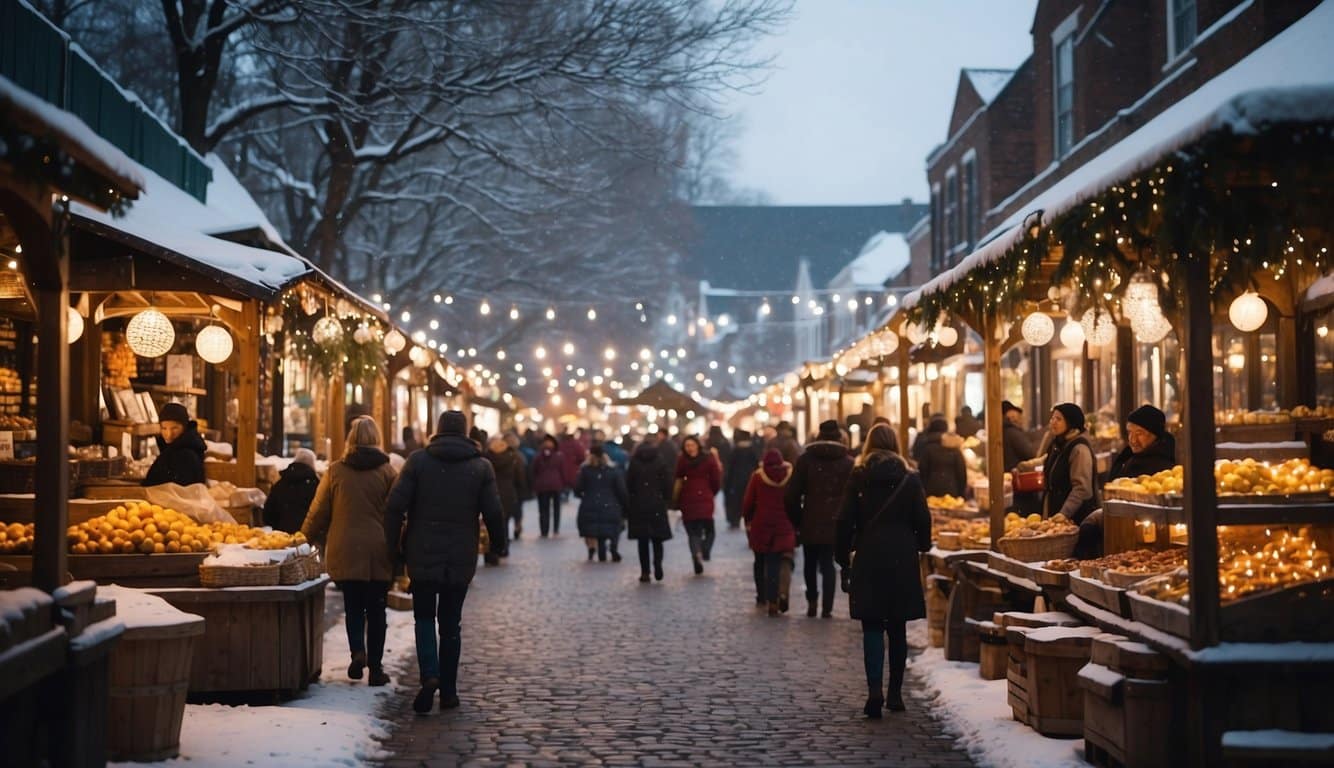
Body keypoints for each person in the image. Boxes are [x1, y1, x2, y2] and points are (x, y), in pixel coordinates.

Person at [385, 410, 505, 714]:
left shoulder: (418, 462)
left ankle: (430, 675)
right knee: (451, 624)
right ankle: (449, 691)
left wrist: (392, 545)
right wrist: (499, 545)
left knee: (424, 618)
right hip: (460, 555)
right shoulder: (480, 467)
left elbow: (394, 505)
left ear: (437, 431)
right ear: (465, 433)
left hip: (422, 551)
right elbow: (493, 512)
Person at [835, 424, 931, 718]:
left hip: (869, 555)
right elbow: (923, 520)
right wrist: (921, 544)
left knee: (873, 625)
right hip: (901, 556)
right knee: (898, 626)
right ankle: (895, 694)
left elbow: (844, 521)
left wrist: (843, 558)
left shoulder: (859, 476)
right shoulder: (909, 478)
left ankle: (874, 689)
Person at [301, 417, 397, 687]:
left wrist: (301, 538)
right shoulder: (388, 472)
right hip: (378, 548)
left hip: (346, 547)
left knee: (353, 606)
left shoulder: (335, 471)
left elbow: (318, 512)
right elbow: (397, 512)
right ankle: (376, 670)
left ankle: (358, 652)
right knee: (377, 610)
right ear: (376, 438)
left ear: (350, 439)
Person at [1076, 405, 1177, 558]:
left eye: (1139, 433)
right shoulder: (1130, 456)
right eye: (1130, 432)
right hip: (1116, 526)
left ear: (1154, 435)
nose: (1132, 439)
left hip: (1136, 538)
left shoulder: (1161, 465)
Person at [786, 419, 853, 618]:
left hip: (810, 519)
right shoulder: (848, 463)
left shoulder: (806, 460)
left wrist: (798, 519)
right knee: (828, 563)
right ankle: (827, 607)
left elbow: (791, 495)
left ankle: (812, 602)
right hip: (836, 521)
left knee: (810, 562)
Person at [743, 449, 797, 616]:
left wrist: (748, 520)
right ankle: (779, 594)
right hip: (784, 523)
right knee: (781, 560)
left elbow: (748, 502)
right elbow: (795, 499)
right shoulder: (790, 475)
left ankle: (765, 597)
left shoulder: (758, 477)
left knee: (761, 561)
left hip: (762, 524)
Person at [1041, 403, 1099, 524]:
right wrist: (1024, 466)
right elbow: (1049, 459)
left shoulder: (1079, 449)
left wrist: (1064, 514)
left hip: (1077, 521)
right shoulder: (1060, 443)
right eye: (1052, 418)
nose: (1053, 422)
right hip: (1058, 518)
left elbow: (1082, 489)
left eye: (1059, 419)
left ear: (1071, 423)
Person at [626, 439, 673, 582]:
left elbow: (629, 484)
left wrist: (633, 498)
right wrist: (665, 499)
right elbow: (667, 484)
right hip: (656, 504)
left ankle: (645, 572)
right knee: (657, 539)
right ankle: (657, 564)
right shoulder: (660, 461)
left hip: (639, 505)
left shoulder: (634, 463)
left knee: (643, 540)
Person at [675, 435, 722, 575]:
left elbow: (677, 476)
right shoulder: (709, 458)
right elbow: (716, 478)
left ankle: (696, 553)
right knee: (709, 529)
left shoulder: (682, 459)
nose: (689, 448)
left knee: (693, 531)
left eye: (691, 445)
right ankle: (705, 550)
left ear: (696, 445)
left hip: (688, 497)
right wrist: (711, 492)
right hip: (704, 496)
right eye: (687, 445)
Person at [575, 443, 629, 563]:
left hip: (590, 504)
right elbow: (621, 490)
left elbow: (578, 489)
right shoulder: (613, 470)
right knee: (614, 527)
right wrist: (625, 505)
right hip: (610, 505)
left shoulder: (585, 470)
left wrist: (585, 495)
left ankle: (599, 551)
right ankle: (613, 546)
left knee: (596, 530)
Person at [143, 402, 206, 487]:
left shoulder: (186, 455)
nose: (169, 434)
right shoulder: (171, 450)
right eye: (164, 428)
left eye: (174, 428)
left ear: (184, 427)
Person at [263, 448, 320, 533]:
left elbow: (267, 514)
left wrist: (278, 526)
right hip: (307, 535)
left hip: (281, 535)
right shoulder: (316, 486)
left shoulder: (280, 483)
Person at [485, 436, 527, 542]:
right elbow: (519, 476)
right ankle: (505, 545)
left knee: (494, 520)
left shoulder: (487, 458)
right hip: (508, 492)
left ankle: (495, 547)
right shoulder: (513, 458)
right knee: (506, 519)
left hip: (492, 492)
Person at [915, 415, 967, 497]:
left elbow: (922, 471)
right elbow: (961, 472)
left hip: (931, 490)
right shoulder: (953, 448)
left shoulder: (927, 447)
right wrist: (961, 493)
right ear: (946, 429)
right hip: (952, 490)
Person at [530, 435, 567, 537]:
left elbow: (533, 471)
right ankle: (555, 530)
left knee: (543, 509)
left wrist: (534, 484)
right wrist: (564, 484)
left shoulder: (538, 456)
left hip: (542, 486)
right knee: (556, 509)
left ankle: (544, 531)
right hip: (556, 484)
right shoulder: (559, 456)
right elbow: (563, 471)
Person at [724, 429, 759, 529]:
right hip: (750, 478)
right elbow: (756, 465)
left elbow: (730, 467)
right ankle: (751, 520)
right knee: (750, 500)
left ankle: (734, 520)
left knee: (736, 501)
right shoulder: (752, 449)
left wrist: (728, 481)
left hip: (736, 479)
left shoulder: (735, 450)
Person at [1001, 401, 1036, 472]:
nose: (1021, 420)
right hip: (1016, 473)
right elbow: (1030, 454)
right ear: (1011, 417)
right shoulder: (1013, 433)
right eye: (1020, 417)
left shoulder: (1003, 432)